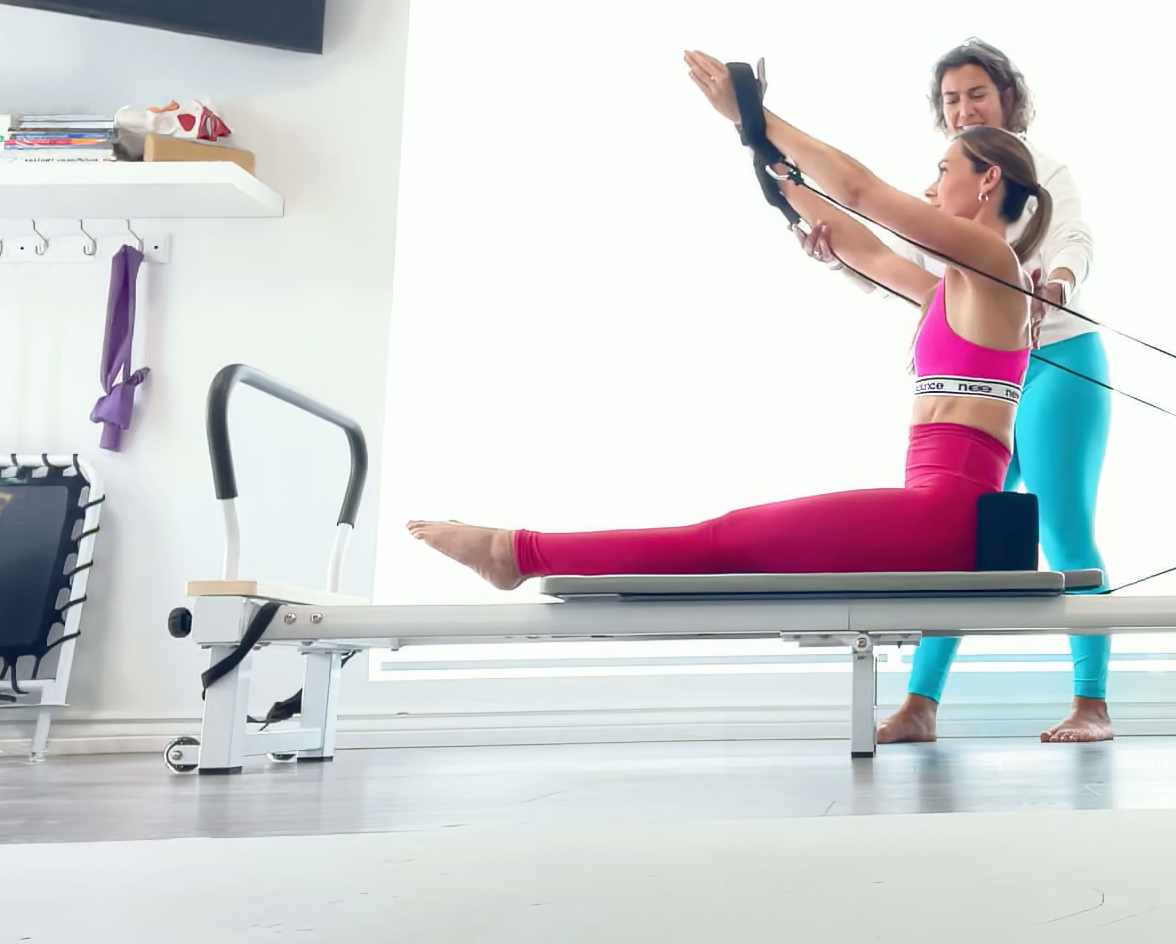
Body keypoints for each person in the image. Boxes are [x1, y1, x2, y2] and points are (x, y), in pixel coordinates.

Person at [405, 51, 1042, 604]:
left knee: (725, 539)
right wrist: (765, 158)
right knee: (730, 538)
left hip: (949, 515)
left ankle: (515, 553)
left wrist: (752, 115)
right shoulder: (947, 292)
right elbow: (865, 248)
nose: (930, 186)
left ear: (988, 181)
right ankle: (514, 552)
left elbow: (862, 191)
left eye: (943, 170)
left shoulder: (996, 265)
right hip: (930, 508)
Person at [817, 38, 1113, 745]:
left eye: (975, 93)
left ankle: (1091, 704)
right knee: (959, 542)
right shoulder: (947, 188)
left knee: (1062, 529)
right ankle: (920, 704)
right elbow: (910, 273)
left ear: (1006, 98)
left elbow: (1071, 235)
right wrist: (836, 256)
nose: (962, 107)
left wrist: (1054, 284)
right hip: (984, 381)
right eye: (950, 98)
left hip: (1057, 361)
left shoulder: (1034, 167)